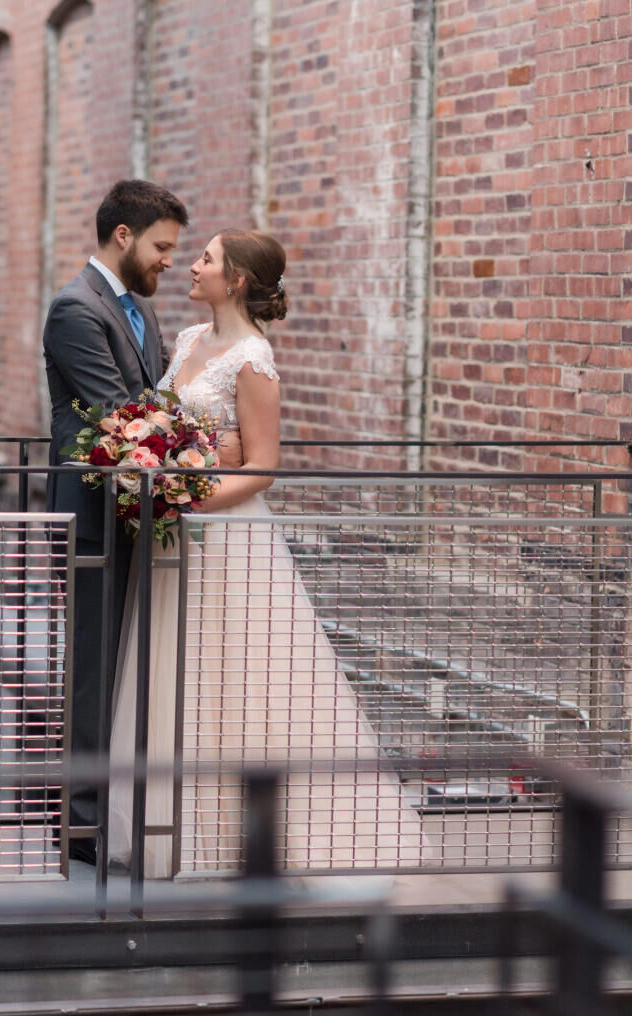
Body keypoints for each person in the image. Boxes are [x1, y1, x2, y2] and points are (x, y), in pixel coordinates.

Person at [108, 229, 427, 877]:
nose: (191, 267)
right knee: (180, 673)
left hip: (226, 535)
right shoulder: (191, 340)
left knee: (240, 678)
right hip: (174, 532)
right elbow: (167, 421)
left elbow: (261, 467)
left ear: (238, 281)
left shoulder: (254, 357)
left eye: (206, 260)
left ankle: (250, 839)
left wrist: (186, 495)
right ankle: (172, 831)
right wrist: (146, 452)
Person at [43, 178, 188, 864]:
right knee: (95, 671)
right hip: (97, 522)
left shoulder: (138, 311)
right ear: (123, 236)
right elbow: (120, 413)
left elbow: (151, 403)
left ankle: (121, 811)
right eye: (162, 246)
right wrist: (190, 450)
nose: (168, 260)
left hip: (137, 511)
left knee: (131, 669)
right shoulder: (76, 309)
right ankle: (82, 824)